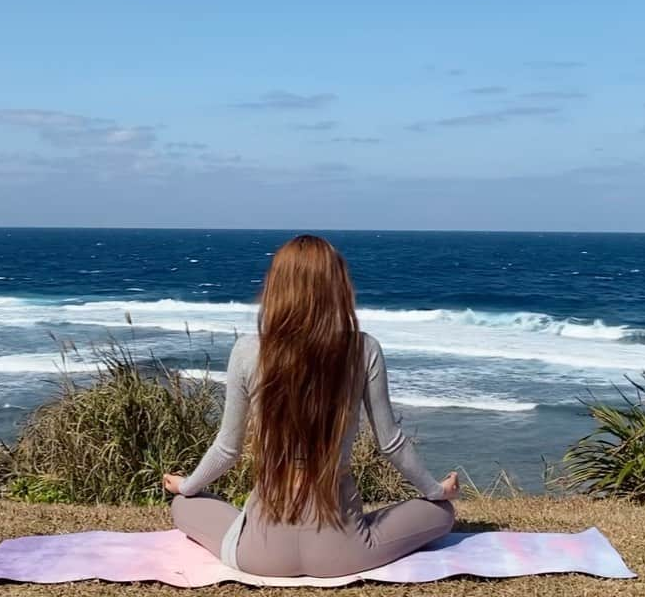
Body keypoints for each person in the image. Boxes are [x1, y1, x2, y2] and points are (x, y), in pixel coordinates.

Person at [163, 234, 458, 578]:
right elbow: (389, 443)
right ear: (336, 284)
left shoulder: (247, 350)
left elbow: (227, 449)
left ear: (277, 285)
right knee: (442, 513)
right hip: (345, 552)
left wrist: (186, 487)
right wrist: (436, 490)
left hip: (258, 554)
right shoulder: (363, 349)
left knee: (185, 504)